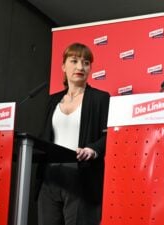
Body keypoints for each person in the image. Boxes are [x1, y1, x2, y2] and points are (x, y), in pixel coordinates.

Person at [37, 43, 110, 225]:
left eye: (86, 63)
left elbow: (110, 136)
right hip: (50, 178)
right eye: (74, 61)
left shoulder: (99, 98)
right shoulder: (53, 100)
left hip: (81, 178)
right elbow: (45, 136)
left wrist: (93, 150)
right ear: (63, 66)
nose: (80, 67)